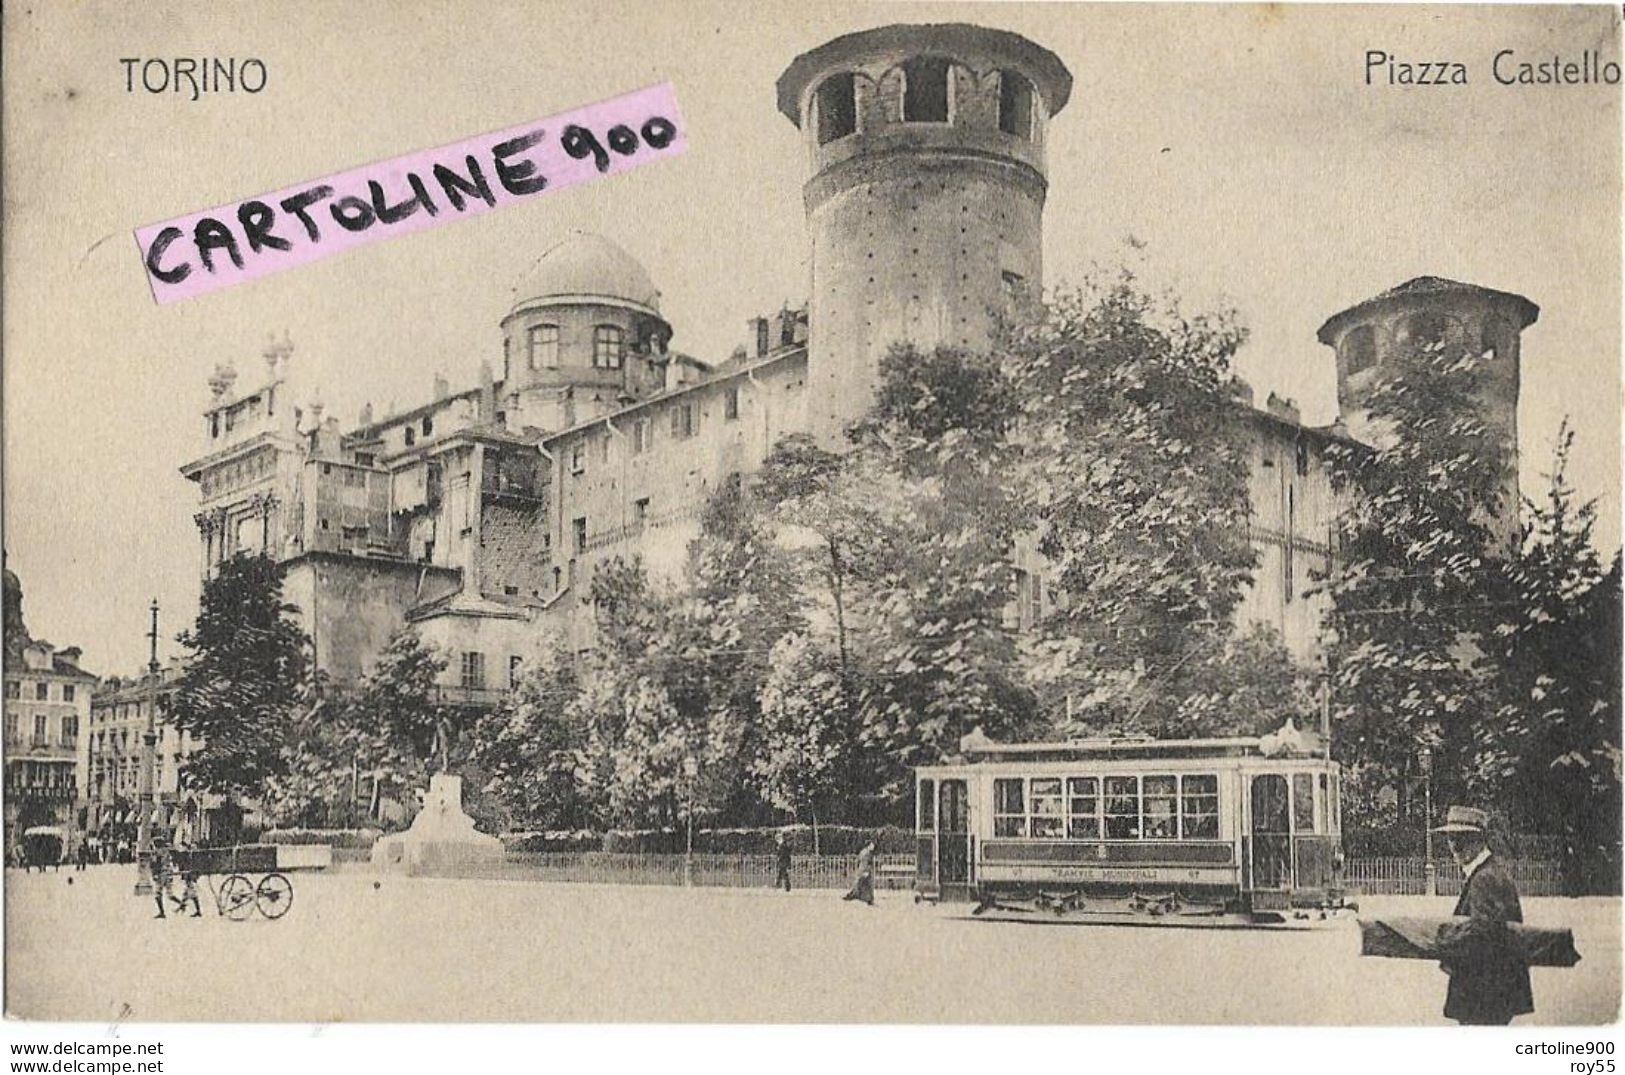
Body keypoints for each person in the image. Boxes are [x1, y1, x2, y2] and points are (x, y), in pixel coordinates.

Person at [1435, 805, 1534, 1025]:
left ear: (1480, 841)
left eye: (1463, 839)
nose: (1454, 847)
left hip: (1483, 994)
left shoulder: (1484, 879)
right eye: (1451, 838)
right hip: (1493, 992)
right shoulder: (1490, 872)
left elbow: (1483, 933)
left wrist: (1444, 937)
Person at [843, 840, 876, 906]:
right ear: (868, 846)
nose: (873, 846)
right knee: (865, 885)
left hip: (862, 870)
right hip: (865, 870)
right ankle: (856, 896)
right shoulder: (866, 853)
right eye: (872, 845)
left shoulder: (864, 852)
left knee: (862, 884)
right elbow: (865, 862)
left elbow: (859, 860)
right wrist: (866, 871)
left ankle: (866, 899)